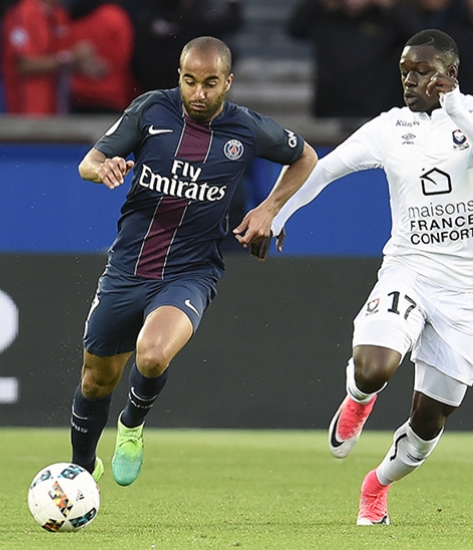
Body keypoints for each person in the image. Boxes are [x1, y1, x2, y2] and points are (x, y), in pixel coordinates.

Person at [259, 29, 473, 525]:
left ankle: (375, 485)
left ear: (450, 74)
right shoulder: (389, 128)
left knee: (428, 423)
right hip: (409, 272)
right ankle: (358, 399)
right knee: (374, 367)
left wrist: (458, 110)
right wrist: (277, 214)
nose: (410, 80)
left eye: (422, 70)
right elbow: (324, 168)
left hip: (468, 295)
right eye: (405, 71)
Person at [69, 36, 318, 486]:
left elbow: (305, 157)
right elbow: (91, 160)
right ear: (178, 77)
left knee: (152, 354)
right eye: (189, 81)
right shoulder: (150, 111)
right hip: (128, 266)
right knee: (95, 380)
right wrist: (101, 168)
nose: (198, 93)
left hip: (191, 272)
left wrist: (269, 208)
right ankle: (82, 468)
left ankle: (131, 425)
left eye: (209, 83)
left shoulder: (246, 129)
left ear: (228, 82)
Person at [286, 0, 420, 119]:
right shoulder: (324, 14)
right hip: (330, 111)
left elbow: (421, 41)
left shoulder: (388, 17)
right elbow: (295, 29)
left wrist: (392, 6)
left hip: (377, 112)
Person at [0, 0, 106, 115]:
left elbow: (61, 57)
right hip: (28, 109)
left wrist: (85, 64)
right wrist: (70, 58)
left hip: (57, 107)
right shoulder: (24, 11)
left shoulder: (59, 14)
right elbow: (23, 66)